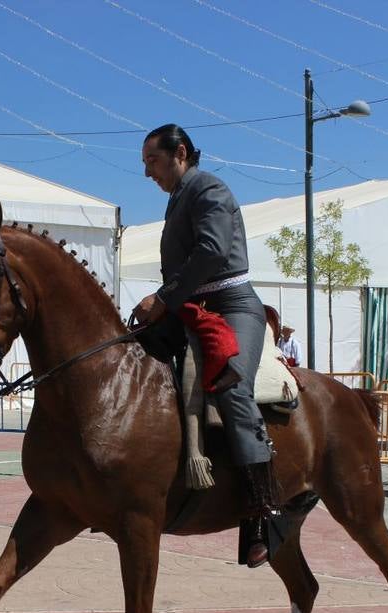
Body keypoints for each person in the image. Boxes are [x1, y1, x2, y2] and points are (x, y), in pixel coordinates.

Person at [132, 123, 277, 568]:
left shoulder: (209, 188)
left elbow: (212, 252)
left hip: (231, 305)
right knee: (131, 359)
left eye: (152, 162)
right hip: (189, 307)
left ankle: (262, 513)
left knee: (232, 389)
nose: (147, 174)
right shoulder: (178, 197)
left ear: (180, 153)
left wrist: (164, 297)